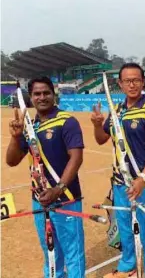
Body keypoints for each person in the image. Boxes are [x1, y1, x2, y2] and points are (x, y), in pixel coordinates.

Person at [91, 63, 145, 278]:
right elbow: (101, 140)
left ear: (143, 82)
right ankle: (129, 268)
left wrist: (143, 178)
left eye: (136, 80)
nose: (132, 84)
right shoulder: (116, 110)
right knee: (125, 231)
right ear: (120, 84)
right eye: (127, 81)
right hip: (120, 184)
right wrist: (97, 125)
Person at [6, 76, 85, 278]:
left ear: (54, 94)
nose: (42, 97)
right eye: (37, 94)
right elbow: (12, 161)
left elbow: (76, 158)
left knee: (73, 252)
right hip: (39, 201)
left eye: (46, 93)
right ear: (31, 98)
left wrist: (57, 189)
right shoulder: (30, 127)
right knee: (50, 250)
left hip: (66, 198)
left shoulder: (67, 121)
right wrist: (16, 137)